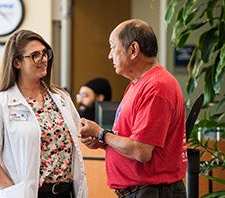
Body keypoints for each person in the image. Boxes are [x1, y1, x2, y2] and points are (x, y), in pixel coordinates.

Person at [0, 29, 88, 198]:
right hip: (30, 194)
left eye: (44, 53)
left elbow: (79, 133)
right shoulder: (0, 103)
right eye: (35, 55)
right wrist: (11, 190)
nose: (43, 60)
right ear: (17, 63)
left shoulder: (60, 97)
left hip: (66, 192)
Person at [79, 19, 187, 198]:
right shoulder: (138, 83)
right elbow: (130, 138)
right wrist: (102, 141)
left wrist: (101, 134)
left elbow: (141, 151)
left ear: (133, 50)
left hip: (153, 192)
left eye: (113, 47)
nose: (109, 55)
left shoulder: (157, 86)